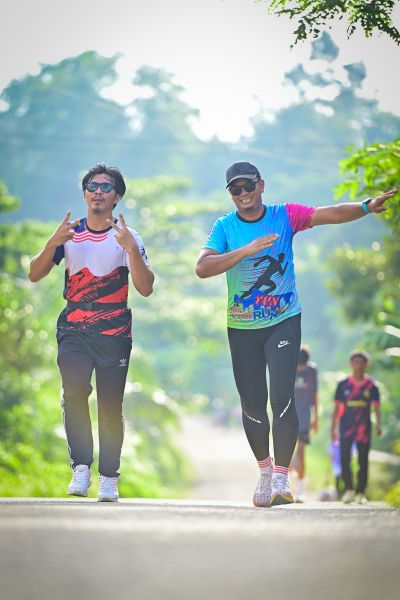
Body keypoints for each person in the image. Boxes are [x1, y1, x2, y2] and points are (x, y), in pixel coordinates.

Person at [195, 160, 396, 507]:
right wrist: (245, 251)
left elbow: (328, 213)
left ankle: (282, 477)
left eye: (248, 185)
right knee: (252, 403)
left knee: (282, 397)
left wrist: (366, 206)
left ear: (261, 185)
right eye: (235, 189)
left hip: (283, 320)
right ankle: (264, 472)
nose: (243, 193)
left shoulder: (284, 215)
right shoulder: (225, 227)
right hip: (242, 326)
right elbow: (202, 267)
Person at [29, 163, 154, 502]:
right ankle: (81, 467)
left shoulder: (127, 237)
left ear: (117, 197)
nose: (98, 191)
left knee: (110, 405)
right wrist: (52, 243)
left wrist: (131, 249)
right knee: (74, 392)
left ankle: (109, 477)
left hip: (114, 331)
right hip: (74, 327)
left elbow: (145, 288)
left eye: (106, 186)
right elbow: (34, 274)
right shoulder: (69, 234)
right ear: (85, 194)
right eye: (92, 186)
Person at [331, 350, 381, 504]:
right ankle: (349, 490)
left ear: (367, 365)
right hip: (346, 428)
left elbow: (376, 407)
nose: (359, 366)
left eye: (362, 363)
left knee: (363, 460)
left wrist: (379, 425)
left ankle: (360, 492)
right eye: (356, 362)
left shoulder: (371, 386)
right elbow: (336, 408)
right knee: (345, 459)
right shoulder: (343, 385)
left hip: (363, 429)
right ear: (351, 364)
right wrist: (333, 428)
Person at [292, 345, 318, 502]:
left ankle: (300, 491)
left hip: (304, 416)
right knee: (285, 453)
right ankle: (284, 487)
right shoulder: (288, 367)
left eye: (303, 366)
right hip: (288, 416)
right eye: (298, 365)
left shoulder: (312, 371)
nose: (300, 369)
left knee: (301, 452)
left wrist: (316, 418)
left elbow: (315, 394)